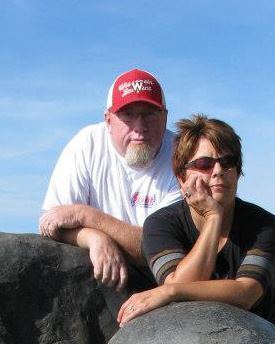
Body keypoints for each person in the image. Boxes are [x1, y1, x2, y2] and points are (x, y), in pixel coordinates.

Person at [117, 114, 275, 332]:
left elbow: (247, 293)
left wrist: (170, 291)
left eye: (228, 162)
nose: (218, 171)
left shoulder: (263, 224)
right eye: (204, 164)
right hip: (195, 328)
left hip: (265, 326)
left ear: (238, 172)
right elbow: (184, 284)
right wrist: (213, 218)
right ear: (181, 177)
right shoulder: (160, 225)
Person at [39, 69, 182, 291]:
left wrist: (85, 215)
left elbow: (156, 250)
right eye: (128, 115)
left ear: (165, 117)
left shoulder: (183, 159)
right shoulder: (86, 145)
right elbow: (51, 224)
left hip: (164, 285)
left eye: (150, 114)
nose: (139, 127)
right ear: (108, 120)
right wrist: (94, 238)